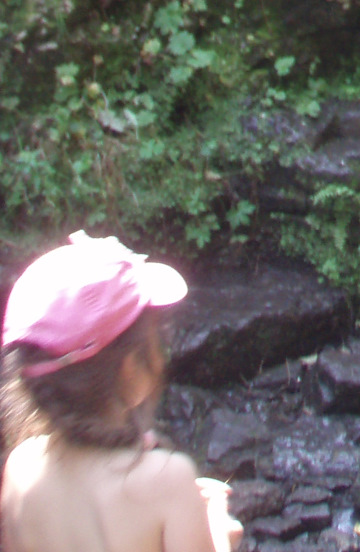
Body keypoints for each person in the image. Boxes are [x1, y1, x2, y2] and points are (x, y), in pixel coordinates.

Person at [1, 232, 241, 552]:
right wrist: (218, 530)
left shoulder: (21, 468)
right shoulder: (169, 482)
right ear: (129, 367)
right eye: (157, 337)